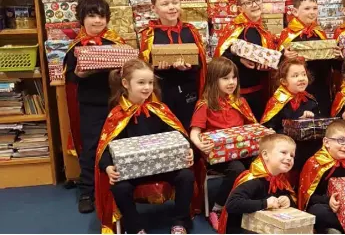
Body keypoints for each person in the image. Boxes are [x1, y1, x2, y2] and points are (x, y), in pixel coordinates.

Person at [95, 59, 196, 234]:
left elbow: (179, 135)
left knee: (186, 176)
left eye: (150, 82)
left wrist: (188, 150)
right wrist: (108, 167)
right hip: (133, 172)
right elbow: (105, 147)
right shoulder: (117, 115)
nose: (147, 87)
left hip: (163, 166)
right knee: (120, 186)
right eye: (141, 82)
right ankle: (135, 228)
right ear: (125, 83)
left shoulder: (159, 109)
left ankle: (180, 221)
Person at [63, 0, 125, 213]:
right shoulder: (75, 47)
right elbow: (69, 78)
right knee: (91, 149)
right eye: (92, 16)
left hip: (115, 104)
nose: (97, 21)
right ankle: (87, 192)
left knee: (117, 146)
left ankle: (120, 189)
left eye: (101, 16)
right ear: (82, 18)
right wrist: (80, 73)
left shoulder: (116, 44)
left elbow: (128, 74)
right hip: (90, 105)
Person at [189, 57, 257, 230]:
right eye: (225, 78)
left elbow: (252, 128)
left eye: (234, 78)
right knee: (237, 168)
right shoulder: (205, 104)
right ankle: (218, 208)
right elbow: (195, 132)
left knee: (260, 164)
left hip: (244, 152)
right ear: (213, 80)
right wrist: (200, 144)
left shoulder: (240, 102)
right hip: (217, 157)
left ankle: (251, 204)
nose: (231, 82)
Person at [139, 0, 207, 129]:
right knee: (166, 129)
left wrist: (188, 67)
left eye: (175, 2)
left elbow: (201, 64)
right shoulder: (149, 34)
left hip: (189, 91)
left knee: (190, 127)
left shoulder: (191, 31)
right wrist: (157, 69)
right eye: (165, 4)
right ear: (154, 8)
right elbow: (143, 67)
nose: (172, 7)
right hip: (163, 92)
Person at [214, 0, 275, 119]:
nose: (254, 5)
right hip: (235, 95)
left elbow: (270, 56)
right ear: (240, 8)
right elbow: (220, 57)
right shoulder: (233, 29)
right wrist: (240, 60)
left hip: (259, 92)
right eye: (248, 2)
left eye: (257, 0)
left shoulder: (263, 30)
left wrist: (268, 64)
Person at [217, 134, 297, 234]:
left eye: (292, 155)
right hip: (241, 227)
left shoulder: (281, 180)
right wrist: (265, 203)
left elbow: (293, 201)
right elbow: (232, 204)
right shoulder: (253, 180)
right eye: (284, 152)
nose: (289, 158)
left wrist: (288, 200)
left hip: (266, 225)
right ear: (265, 155)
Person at [278, 0, 334, 116]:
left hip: (320, 86)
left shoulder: (320, 32)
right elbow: (279, 64)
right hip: (299, 88)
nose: (312, 12)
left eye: (315, 8)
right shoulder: (287, 34)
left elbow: (328, 62)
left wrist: (334, 55)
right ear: (295, 11)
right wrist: (284, 55)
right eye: (307, 8)